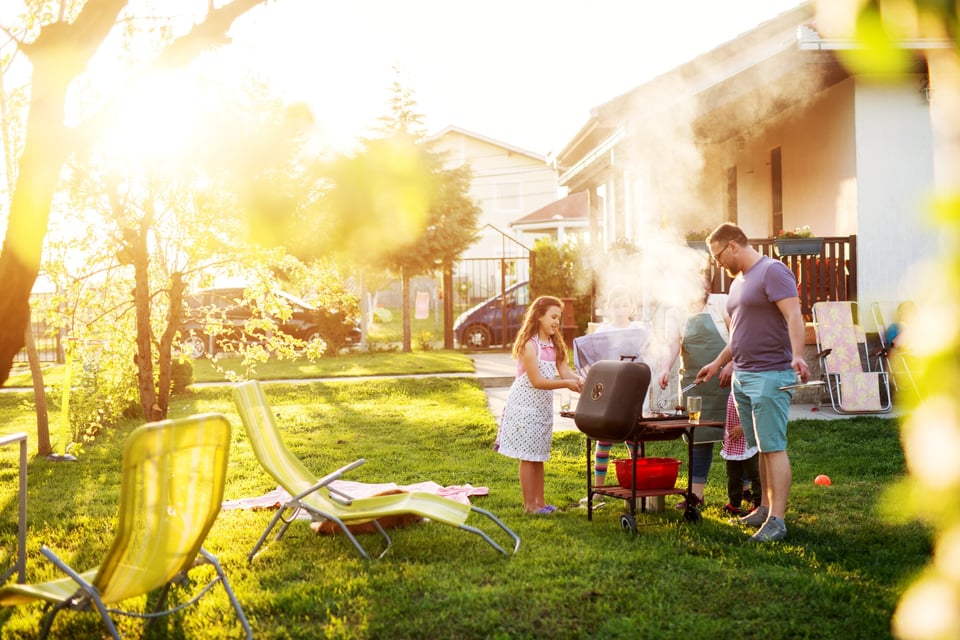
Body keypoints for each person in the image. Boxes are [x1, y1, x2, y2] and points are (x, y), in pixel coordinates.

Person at [696, 222, 810, 543]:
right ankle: (762, 508)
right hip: (743, 376)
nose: (718, 264)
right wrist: (718, 363)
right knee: (759, 447)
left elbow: (794, 317)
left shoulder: (773, 272)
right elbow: (739, 332)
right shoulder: (738, 283)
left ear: (733, 245)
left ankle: (778, 519)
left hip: (771, 374)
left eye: (718, 256)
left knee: (773, 447)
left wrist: (798, 355)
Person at [496, 295, 583, 514]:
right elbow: (536, 381)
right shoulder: (529, 345)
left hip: (541, 406)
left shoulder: (555, 344)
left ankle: (541, 504)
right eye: (553, 317)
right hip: (524, 405)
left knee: (539, 455)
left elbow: (565, 372)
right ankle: (530, 506)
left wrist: (582, 380)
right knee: (528, 456)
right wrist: (566, 384)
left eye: (558, 318)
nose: (556, 322)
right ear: (539, 316)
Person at [658, 276, 732, 510]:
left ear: (707, 288)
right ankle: (696, 495)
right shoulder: (675, 312)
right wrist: (664, 367)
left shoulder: (722, 303)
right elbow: (672, 344)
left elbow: (738, 335)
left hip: (726, 380)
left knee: (738, 437)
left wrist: (733, 364)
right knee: (698, 439)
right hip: (695, 384)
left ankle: (744, 493)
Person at [573, 285, 652, 497]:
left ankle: (638, 485)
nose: (620, 309)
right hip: (609, 392)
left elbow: (648, 355)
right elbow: (593, 360)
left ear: (632, 307)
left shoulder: (639, 330)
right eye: (616, 305)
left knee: (634, 438)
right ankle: (598, 488)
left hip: (631, 393)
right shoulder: (602, 332)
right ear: (609, 308)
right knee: (604, 439)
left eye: (624, 304)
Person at [720, 393, 761, 516]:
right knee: (733, 475)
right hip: (734, 439)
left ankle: (759, 505)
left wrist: (745, 427)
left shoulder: (752, 385)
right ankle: (734, 503)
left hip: (748, 438)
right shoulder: (735, 384)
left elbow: (758, 409)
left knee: (755, 474)